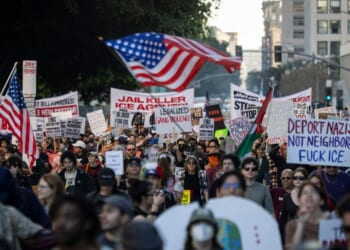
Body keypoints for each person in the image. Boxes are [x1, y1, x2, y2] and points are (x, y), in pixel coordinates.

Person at [284, 182, 330, 250]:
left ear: (322, 200)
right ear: (299, 200)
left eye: (313, 192)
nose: (309, 195)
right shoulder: (292, 225)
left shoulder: (332, 221)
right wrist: (301, 225)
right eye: (305, 193)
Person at [279, 167, 308, 243]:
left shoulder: (311, 196)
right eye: (295, 178)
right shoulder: (286, 197)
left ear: (306, 179)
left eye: (301, 178)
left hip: (308, 234)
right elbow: (283, 220)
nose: (297, 180)